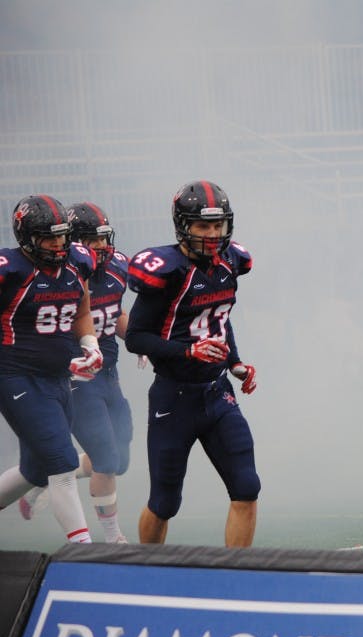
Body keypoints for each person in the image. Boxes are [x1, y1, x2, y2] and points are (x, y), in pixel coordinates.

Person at [125, 180, 260, 547]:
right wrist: (187, 352)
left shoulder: (231, 262)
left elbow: (219, 318)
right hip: (174, 397)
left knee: (247, 487)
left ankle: (236, 574)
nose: (212, 234)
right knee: (164, 502)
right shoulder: (169, 270)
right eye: (203, 226)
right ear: (183, 226)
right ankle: (148, 570)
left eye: (218, 225)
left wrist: (235, 362)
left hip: (217, 393)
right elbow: (136, 338)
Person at [18, 202, 136, 544]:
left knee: (120, 459)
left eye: (103, 238)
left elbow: (115, 313)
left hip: (109, 372)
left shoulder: (118, 267)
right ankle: (113, 538)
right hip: (77, 378)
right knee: (107, 460)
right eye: (91, 239)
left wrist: (141, 341)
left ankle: (47, 479)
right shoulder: (63, 275)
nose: (100, 246)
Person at [0, 195, 104, 543]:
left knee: (35, 470)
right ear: (26, 238)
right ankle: (84, 551)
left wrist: (90, 345)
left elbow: (82, 311)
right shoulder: (10, 270)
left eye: (62, 235)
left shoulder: (78, 262)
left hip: (58, 377)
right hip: (16, 376)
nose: (58, 244)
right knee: (62, 463)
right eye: (49, 238)